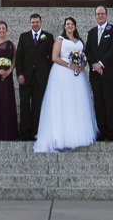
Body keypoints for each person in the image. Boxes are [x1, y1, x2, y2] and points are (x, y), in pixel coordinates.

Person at [34, 16, 98, 152]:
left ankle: (78, 134)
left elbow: (84, 56)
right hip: (62, 73)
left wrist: (81, 66)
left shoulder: (80, 41)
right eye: (67, 24)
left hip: (77, 75)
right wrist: (69, 65)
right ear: (64, 26)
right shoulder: (60, 40)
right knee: (63, 102)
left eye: (72, 24)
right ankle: (61, 136)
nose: (70, 26)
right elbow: (54, 57)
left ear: (75, 26)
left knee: (76, 102)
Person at [16, 12, 54, 140]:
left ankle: (37, 131)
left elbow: (51, 58)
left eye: (37, 22)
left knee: (38, 105)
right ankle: (24, 133)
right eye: (33, 22)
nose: (35, 24)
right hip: (26, 77)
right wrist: (20, 74)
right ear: (30, 23)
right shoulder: (24, 37)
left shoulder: (48, 37)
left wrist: (48, 74)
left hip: (41, 77)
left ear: (41, 22)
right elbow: (19, 57)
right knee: (25, 104)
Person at [85, 5, 113, 140]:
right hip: (95, 74)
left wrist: (101, 63)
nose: (100, 16)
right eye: (98, 14)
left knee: (109, 102)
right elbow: (88, 50)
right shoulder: (92, 32)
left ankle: (112, 131)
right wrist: (94, 64)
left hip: (109, 73)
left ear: (106, 15)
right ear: (95, 16)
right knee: (98, 102)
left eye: (102, 14)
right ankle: (102, 130)